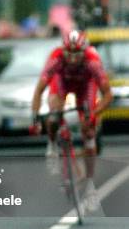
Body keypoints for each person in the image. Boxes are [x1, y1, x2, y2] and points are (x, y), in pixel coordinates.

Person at [31, 29, 112, 205]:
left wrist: (94, 114)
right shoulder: (56, 58)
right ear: (63, 51)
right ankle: (52, 145)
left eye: (78, 54)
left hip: (85, 86)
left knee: (89, 132)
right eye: (70, 54)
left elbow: (108, 95)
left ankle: (90, 185)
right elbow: (39, 90)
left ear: (85, 51)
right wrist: (36, 117)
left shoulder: (93, 61)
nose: (74, 59)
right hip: (62, 82)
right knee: (53, 116)